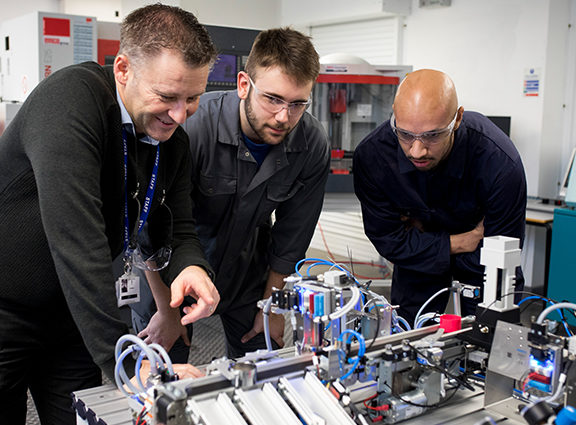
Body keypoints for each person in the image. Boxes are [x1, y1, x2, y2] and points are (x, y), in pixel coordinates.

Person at [0, 5, 220, 424]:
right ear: (123, 69)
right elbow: (76, 242)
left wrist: (191, 266)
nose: (179, 114)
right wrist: (130, 359)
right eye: (167, 96)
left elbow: (177, 226)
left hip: (72, 316)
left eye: (193, 98)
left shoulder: (171, 141)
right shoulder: (69, 103)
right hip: (7, 309)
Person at [156, 27, 330, 359]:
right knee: (164, 375)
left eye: (297, 104)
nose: (283, 117)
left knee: (263, 365)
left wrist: (274, 310)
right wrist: (165, 311)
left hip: (249, 274)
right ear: (243, 85)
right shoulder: (192, 129)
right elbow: (153, 226)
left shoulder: (311, 143)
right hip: (174, 273)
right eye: (273, 99)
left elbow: (292, 238)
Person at [353, 69, 527, 325]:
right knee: (407, 334)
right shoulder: (373, 157)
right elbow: (389, 240)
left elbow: (503, 253)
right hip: (418, 259)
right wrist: (460, 241)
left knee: (491, 333)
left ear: (457, 119)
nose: (417, 150)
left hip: (482, 259)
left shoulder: (499, 162)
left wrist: (425, 237)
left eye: (432, 135)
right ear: (394, 115)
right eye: (405, 134)